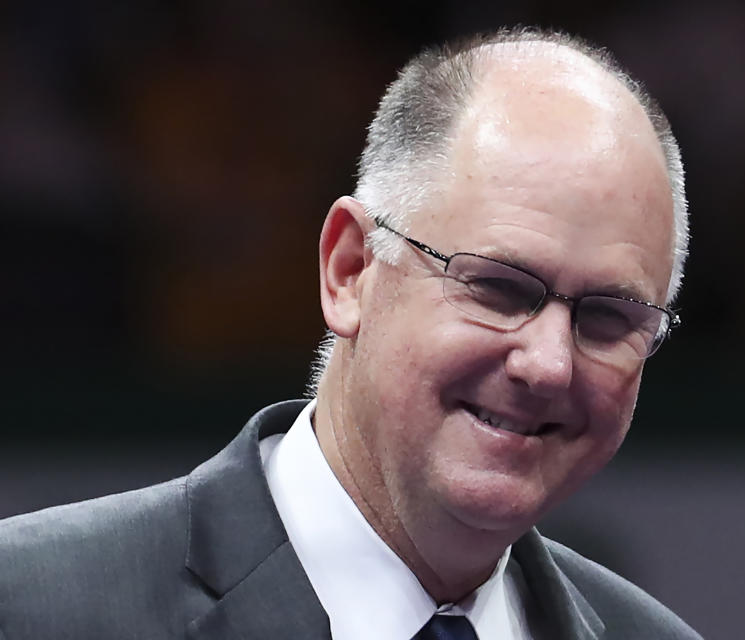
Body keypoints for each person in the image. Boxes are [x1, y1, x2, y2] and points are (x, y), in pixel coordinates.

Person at [0, 27, 699, 639]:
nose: (548, 364)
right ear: (351, 270)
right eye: (497, 288)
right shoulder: (33, 607)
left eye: (608, 317)